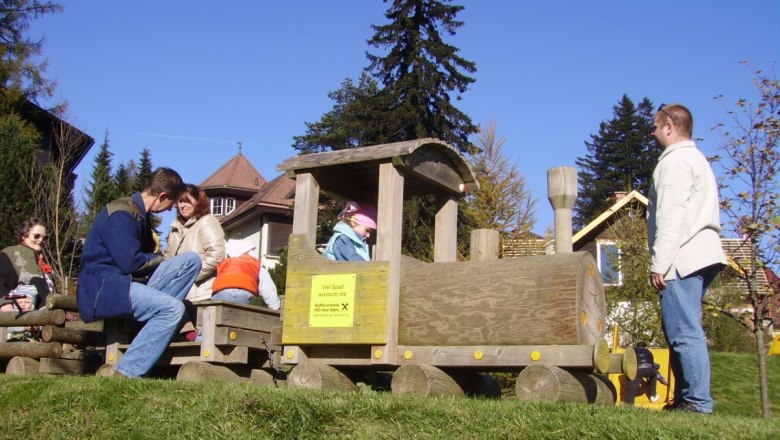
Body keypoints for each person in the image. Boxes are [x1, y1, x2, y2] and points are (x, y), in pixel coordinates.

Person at [77, 167, 202, 378]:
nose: (170, 209)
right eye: (171, 204)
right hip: (105, 288)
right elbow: (131, 263)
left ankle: (153, 323)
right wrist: (160, 258)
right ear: (162, 196)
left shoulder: (138, 215)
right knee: (173, 309)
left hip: (125, 283)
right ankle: (126, 373)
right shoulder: (121, 214)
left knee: (191, 261)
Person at [647, 103, 727, 414]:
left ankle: (696, 402)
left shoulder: (675, 162)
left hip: (682, 256)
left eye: (654, 127)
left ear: (668, 126)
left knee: (682, 330)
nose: (652, 134)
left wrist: (660, 263)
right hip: (701, 252)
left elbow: (672, 216)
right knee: (684, 327)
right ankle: (686, 398)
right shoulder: (696, 159)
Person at [164, 184, 226, 302]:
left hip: (200, 294)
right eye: (180, 202)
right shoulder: (175, 226)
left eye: (187, 201)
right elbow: (168, 256)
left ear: (198, 201)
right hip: (175, 293)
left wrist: (190, 276)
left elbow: (217, 254)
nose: (182, 205)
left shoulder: (207, 221)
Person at [0, 217, 55, 311]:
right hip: (20, 317)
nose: (41, 240)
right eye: (37, 236)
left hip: (44, 317)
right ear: (24, 235)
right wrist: (4, 303)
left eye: (44, 237)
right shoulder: (11, 253)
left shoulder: (43, 264)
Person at [212, 239, 280, 310]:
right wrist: (275, 307)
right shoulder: (256, 266)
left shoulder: (223, 263)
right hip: (245, 294)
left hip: (222, 292)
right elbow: (267, 288)